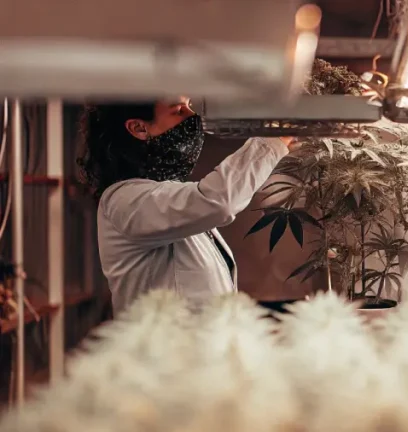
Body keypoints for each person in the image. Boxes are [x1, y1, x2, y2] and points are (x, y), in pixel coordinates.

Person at [78, 98, 292, 312]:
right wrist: (272, 140)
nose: (193, 116)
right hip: (166, 344)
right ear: (139, 128)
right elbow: (218, 201)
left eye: (189, 105)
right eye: (179, 110)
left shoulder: (167, 196)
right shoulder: (125, 200)